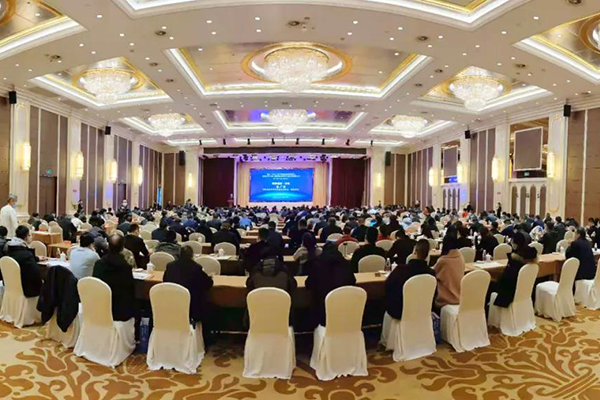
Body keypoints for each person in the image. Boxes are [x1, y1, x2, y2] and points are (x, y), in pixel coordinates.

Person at [305, 242, 356, 327]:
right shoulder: (345, 263)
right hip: (344, 310)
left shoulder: (317, 264)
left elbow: (309, 284)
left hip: (322, 311)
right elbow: (352, 281)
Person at [384, 239, 436, 320]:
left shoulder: (400, 270)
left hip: (400, 312)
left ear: (414, 252)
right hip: (423, 310)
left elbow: (387, 287)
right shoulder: (431, 274)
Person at [163, 246, 214, 324]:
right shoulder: (196, 267)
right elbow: (208, 284)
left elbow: (165, 281)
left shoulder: (170, 266)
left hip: (172, 303)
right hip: (192, 306)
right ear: (192, 255)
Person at [92, 235, 136, 322]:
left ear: (108, 246)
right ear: (122, 248)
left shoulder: (99, 263)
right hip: (120, 310)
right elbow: (130, 289)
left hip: (100, 305)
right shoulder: (125, 267)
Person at [490, 232, 538, 308]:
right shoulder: (531, 258)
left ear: (515, 243)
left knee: (490, 285)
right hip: (525, 292)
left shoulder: (515, 261)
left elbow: (506, 278)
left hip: (510, 293)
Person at [5, 225, 41, 298]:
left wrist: (36, 258)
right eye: (30, 235)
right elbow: (35, 275)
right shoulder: (27, 255)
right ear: (26, 237)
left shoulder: (9, 249)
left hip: (10, 287)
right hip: (26, 290)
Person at [433, 235, 465, 309]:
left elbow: (434, 273)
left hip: (445, 298)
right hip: (459, 295)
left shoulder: (443, 260)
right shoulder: (461, 257)